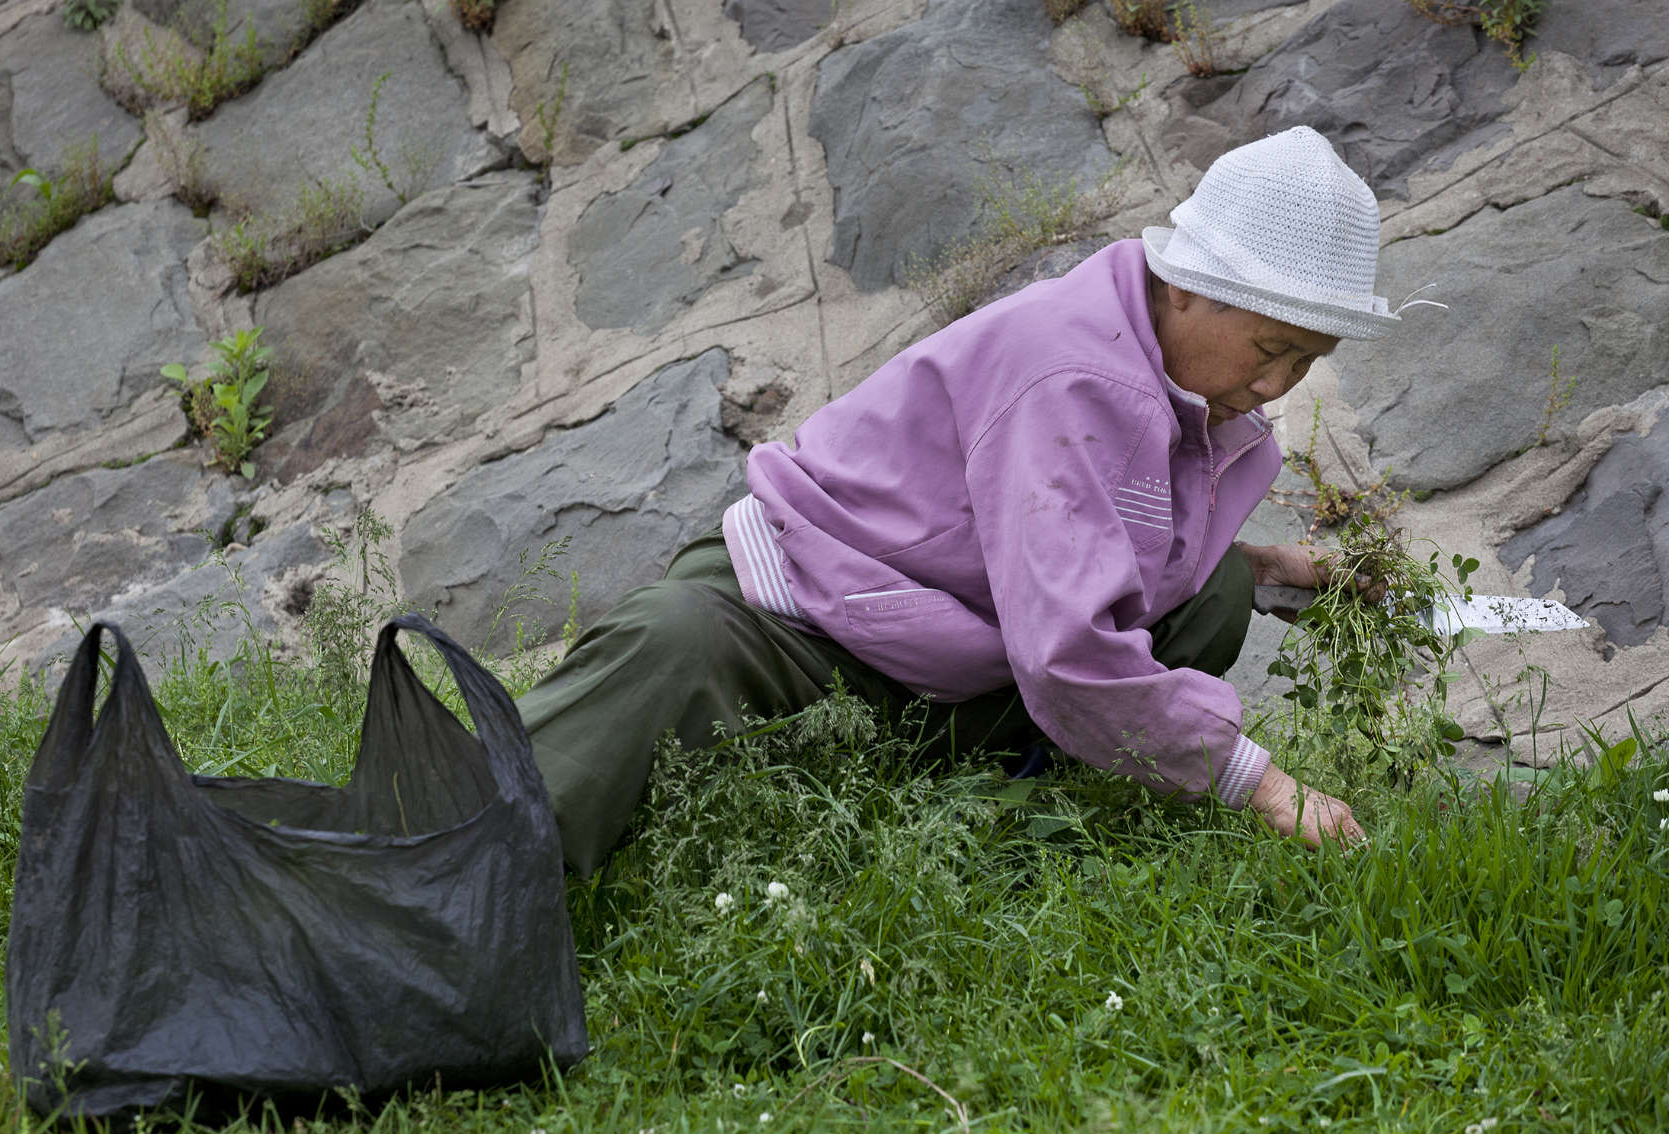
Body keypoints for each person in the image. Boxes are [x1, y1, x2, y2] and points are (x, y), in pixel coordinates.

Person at [516, 126, 1439, 876]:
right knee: (665, 656)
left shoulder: (1188, 387)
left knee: (1218, 594)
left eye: (1306, 362)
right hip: (802, 626)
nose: (1277, 385)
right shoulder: (1071, 374)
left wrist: (1274, 569)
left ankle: (994, 796)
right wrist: (1262, 784)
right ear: (1189, 290)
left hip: (947, 645)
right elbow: (1066, 645)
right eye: (1270, 349)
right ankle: (458, 890)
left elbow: (1096, 552)